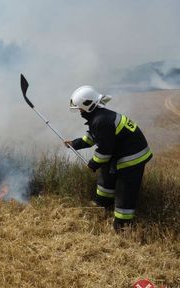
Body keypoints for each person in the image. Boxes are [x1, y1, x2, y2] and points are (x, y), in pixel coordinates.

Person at [65, 85, 152, 231]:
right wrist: (74, 143)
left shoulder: (101, 121)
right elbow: (93, 137)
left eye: (79, 108)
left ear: (88, 105)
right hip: (119, 153)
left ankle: (122, 226)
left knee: (125, 190)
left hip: (132, 157)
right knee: (106, 176)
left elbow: (105, 151)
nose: (79, 111)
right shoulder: (98, 117)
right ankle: (103, 205)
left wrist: (93, 163)